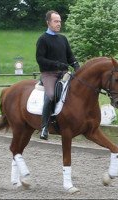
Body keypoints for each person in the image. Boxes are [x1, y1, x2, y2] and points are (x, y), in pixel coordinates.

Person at [36, 10, 80, 140]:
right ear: (48, 22)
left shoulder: (63, 38)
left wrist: (77, 66)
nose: (59, 24)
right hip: (49, 74)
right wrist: (57, 64)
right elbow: (40, 59)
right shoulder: (43, 39)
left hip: (64, 73)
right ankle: (44, 127)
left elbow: (70, 56)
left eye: (60, 21)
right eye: (56, 21)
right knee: (50, 96)